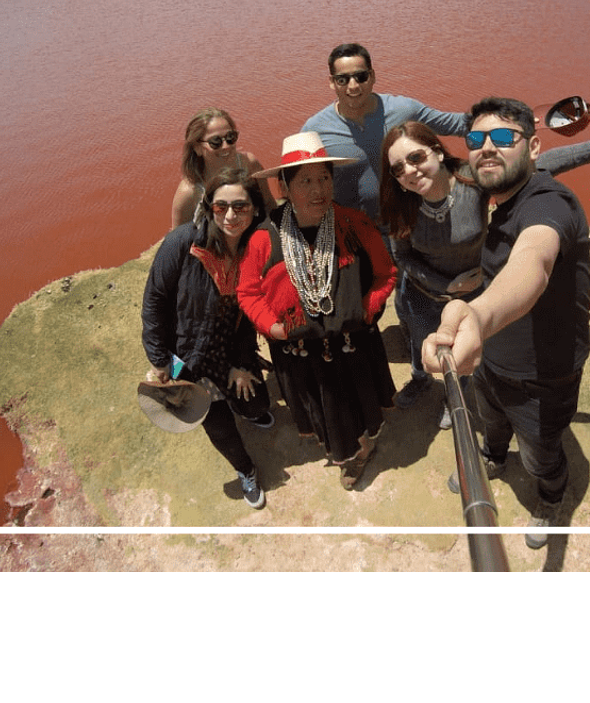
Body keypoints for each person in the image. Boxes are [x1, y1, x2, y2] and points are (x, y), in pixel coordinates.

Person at [421, 97, 590, 549]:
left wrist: (478, 314)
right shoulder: (499, 195)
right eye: (477, 139)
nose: (488, 147)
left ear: (533, 148)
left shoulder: (550, 203)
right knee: (491, 421)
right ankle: (491, 457)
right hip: (492, 357)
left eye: (504, 137)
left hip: (543, 373)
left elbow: (534, 261)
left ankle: (550, 500)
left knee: (541, 452)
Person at [380, 105, 590, 422]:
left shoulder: (472, 182)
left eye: (416, 158)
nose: (410, 171)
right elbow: (401, 257)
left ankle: (453, 394)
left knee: (464, 349)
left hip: (474, 295)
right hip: (422, 297)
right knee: (420, 343)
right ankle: (419, 380)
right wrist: (445, 286)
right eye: (398, 169)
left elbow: (536, 165)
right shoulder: (398, 205)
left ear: (438, 153)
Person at [238, 133, 398, 489]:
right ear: (284, 187)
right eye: (305, 180)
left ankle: (362, 449)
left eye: (324, 178)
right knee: (325, 409)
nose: (318, 189)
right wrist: (274, 328)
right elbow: (247, 292)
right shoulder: (265, 238)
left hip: (353, 345)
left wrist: (367, 309)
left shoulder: (354, 224)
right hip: (300, 353)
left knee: (360, 401)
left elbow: (385, 273)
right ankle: (344, 450)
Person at [143, 166, 273, 509]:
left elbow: (250, 313)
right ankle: (245, 470)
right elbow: (155, 300)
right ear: (209, 206)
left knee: (258, 404)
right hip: (189, 354)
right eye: (221, 206)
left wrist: (240, 364)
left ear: (255, 209)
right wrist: (158, 359)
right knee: (217, 424)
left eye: (241, 206)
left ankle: (243, 401)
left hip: (232, 345)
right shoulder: (183, 242)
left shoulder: (257, 247)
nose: (231, 215)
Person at [300, 44, 466, 225]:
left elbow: (457, 124)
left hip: (407, 223)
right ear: (332, 82)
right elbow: (295, 178)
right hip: (351, 231)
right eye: (343, 80)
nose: (353, 86)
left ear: (372, 77)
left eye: (361, 76)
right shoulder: (315, 129)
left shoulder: (404, 111)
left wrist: (498, 120)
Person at [171, 108, 270, 229]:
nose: (226, 146)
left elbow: (268, 204)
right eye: (215, 141)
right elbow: (179, 239)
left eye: (230, 137)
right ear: (197, 148)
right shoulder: (189, 193)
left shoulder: (249, 164)